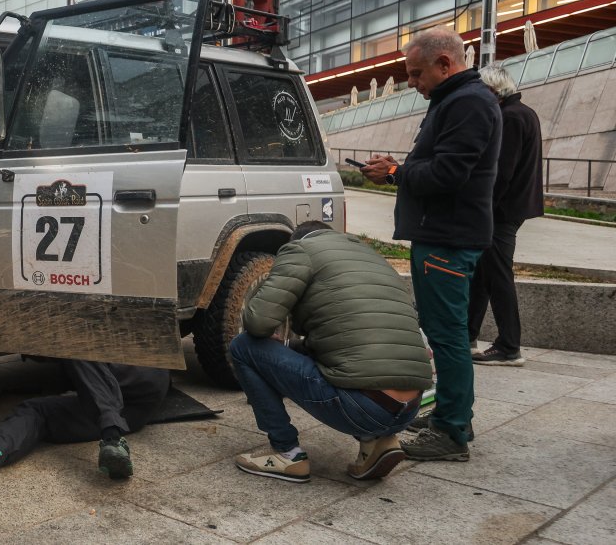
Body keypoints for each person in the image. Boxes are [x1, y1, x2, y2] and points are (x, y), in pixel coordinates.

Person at [363, 27, 501, 463]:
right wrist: (400, 170)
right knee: (446, 334)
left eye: (417, 73)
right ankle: (452, 413)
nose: (412, 82)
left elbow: (447, 175)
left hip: (447, 237)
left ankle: (451, 431)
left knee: (447, 337)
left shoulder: (468, 103)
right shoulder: (457, 101)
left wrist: (395, 174)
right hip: (444, 235)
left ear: (446, 64)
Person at [229, 222, 432, 483]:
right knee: (355, 362)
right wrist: (287, 348)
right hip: (409, 407)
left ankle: (286, 452)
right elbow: (341, 343)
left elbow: (258, 323)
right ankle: (378, 440)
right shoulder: (369, 256)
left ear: (298, 240)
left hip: (363, 406)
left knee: (244, 346)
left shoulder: (300, 250)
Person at [0, 360, 169, 481]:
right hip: (139, 409)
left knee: (76, 336)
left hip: (135, 375)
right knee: (37, 410)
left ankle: (112, 435)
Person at [467, 65, 543, 367]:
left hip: (501, 211)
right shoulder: (525, 112)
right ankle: (468, 335)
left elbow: (502, 172)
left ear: (494, 91)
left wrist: (481, 207)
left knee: (497, 276)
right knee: (484, 274)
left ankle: (509, 346)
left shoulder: (509, 117)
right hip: (512, 208)